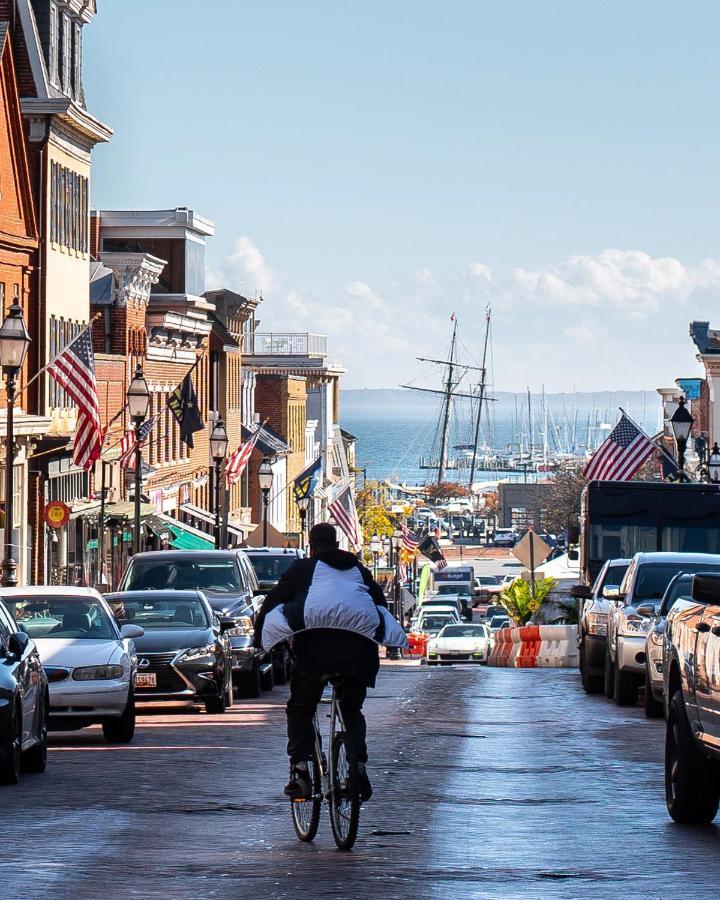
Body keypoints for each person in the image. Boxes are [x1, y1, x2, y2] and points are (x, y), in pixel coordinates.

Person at [254, 523, 394, 803]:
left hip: (314, 652)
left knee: (301, 708)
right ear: (338, 542)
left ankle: (301, 770)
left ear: (311, 546)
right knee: (352, 709)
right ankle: (358, 766)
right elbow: (380, 606)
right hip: (358, 653)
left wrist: (260, 640)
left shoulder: (302, 570)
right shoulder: (360, 571)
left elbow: (272, 603)